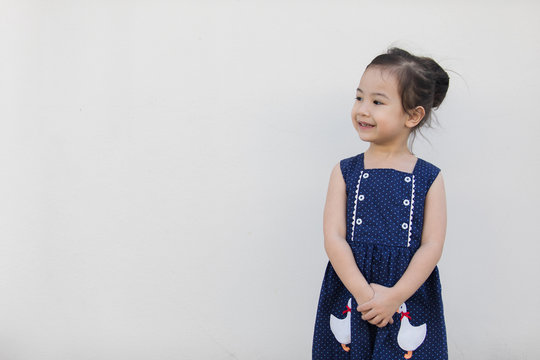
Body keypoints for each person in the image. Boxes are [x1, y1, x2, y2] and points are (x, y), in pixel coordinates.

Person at [312, 47, 450, 359]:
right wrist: (365, 295)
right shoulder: (345, 171)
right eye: (359, 97)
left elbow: (432, 245)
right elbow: (333, 238)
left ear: (413, 115)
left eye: (377, 102)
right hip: (352, 290)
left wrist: (394, 297)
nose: (362, 109)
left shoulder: (429, 178)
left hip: (405, 297)